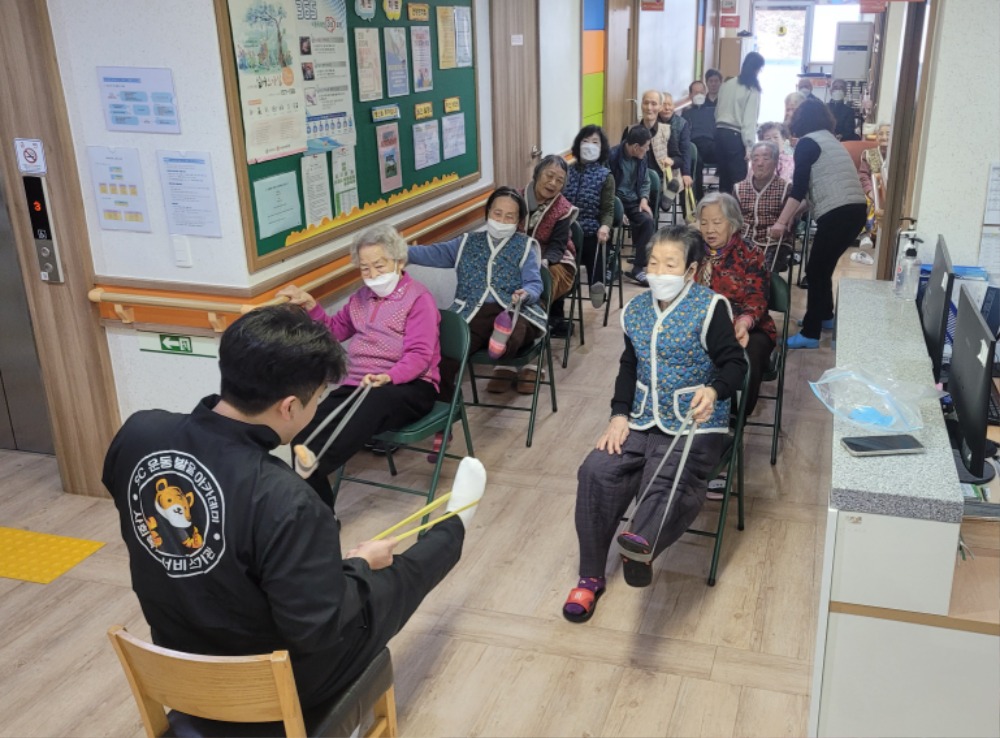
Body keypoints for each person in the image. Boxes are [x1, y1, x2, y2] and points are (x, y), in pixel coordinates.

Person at [102, 304, 488, 710]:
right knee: (393, 577)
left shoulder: (138, 433)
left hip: (174, 662)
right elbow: (316, 629)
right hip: (274, 686)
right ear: (288, 406)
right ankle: (455, 525)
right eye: (318, 398)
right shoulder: (286, 499)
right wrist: (359, 566)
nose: (317, 407)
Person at [563, 225, 747, 620]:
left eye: (670, 264)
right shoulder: (636, 311)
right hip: (642, 417)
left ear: (690, 270)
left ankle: (640, 547)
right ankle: (590, 576)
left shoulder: (710, 307)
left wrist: (714, 390)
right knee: (596, 470)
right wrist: (618, 415)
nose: (659, 272)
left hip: (695, 422)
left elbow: (735, 363)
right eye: (653, 263)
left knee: (668, 477)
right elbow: (629, 366)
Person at [277, 225, 440, 510]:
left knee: (327, 442)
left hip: (410, 386)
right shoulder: (360, 298)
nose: (373, 275)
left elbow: (419, 356)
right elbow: (334, 330)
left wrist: (389, 376)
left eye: (380, 265)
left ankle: (313, 468)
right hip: (361, 384)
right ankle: (321, 516)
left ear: (399, 261)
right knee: (303, 436)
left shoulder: (418, 298)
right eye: (365, 269)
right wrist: (311, 305)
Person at [408, 187, 546, 394]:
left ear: (519, 221)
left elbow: (534, 283)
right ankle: (441, 399)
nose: (502, 220)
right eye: (497, 213)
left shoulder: (525, 246)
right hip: (475, 310)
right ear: (488, 212)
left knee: (518, 328)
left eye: (509, 216)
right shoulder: (466, 242)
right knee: (449, 348)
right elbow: (431, 253)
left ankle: (502, 345)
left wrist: (526, 294)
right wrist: (399, 251)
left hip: (512, 308)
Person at [769, 99, 867, 348]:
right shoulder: (829, 140)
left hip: (839, 213)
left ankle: (810, 334)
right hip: (854, 210)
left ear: (801, 120)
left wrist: (781, 222)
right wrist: (793, 215)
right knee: (822, 268)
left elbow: (798, 190)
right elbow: (814, 192)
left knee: (815, 271)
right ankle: (825, 316)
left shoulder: (807, 143)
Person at [696, 192, 775, 416]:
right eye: (704, 223)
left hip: (748, 326)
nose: (709, 229)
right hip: (702, 324)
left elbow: (757, 298)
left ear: (732, 223)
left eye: (717, 222)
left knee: (749, 353)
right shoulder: (694, 251)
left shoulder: (750, 254)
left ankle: (734, 417)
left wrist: (743, 323)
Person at [520, 155, 578, 341]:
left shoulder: (563, 208)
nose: (553, 183)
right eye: (549, 175)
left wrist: (544, 261)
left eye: (559, 180)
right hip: (518, 258)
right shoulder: (516, 199)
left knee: (544, 277)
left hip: (555, 261)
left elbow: (558, 246)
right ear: (537, 173)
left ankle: (531, 328)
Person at [564, 125, 615, 306]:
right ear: (578, 145)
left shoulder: (605, 176)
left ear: (602, 148)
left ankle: (597, 285)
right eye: (585, 141)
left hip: (591, 231)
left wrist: (605, 226)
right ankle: (559, 304)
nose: (589, 146)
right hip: (565, 230)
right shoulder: (566, 171)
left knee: (598, 244)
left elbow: (608, 210)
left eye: (595, 142)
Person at [609, 125, 656, 286]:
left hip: (634, 201)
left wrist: (644, 199)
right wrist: (616, 208)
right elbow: (605, 187)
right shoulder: (612, 156)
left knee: (647, 220)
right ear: (636, 147)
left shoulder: (642, 157)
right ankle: (610, 266)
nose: (647, 150)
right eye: (646, 147)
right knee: (605, 222)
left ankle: (638, 267)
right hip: (615, 201)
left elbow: (645, 181)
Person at [733, 142, 790, 272]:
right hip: (744, 240)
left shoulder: (786, 188)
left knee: (762, 270)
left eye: (765, 158)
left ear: (775, 162)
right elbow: (733, 219)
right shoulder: (739, 188)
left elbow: (790, 223)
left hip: (774, 243)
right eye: (755, 159)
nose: (760, 163)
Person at [713, 52, 764, 194]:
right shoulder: (751, 89)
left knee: (724, 178)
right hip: (734, 136)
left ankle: (723, 206)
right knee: (738, 179)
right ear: (757, 69)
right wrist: (749, 146)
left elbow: (716, 112)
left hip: (719, 132)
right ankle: (738, 208)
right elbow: (749, 120)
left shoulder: (727, 84)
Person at [624, 90, 673, 192]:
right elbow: (622, 157)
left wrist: (671, 160)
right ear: (641, 105)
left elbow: (678, 158)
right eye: (646, 103)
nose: (649, 108)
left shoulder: (667, 130)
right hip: (635, 180)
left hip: (661, 181)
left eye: (654, 104)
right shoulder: (630, 130)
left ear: (660, 107)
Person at [858, 123, 890, 251]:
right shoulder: (868, 154)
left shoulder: (898, 156)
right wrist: (869, 190)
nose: (884, 137)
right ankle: (865, 235)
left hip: (890, 192)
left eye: (888, 134)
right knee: (867, 201)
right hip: (873, 191)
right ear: (876, 137)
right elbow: (863, 175)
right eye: (881, 134)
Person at [683, 80, 718, 200]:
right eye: (696, 92)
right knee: (695, 162)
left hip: (711, 144)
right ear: (690, 95)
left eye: (701, 92)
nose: (699, 95)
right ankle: (699, 199)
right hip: (695, 145)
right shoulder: (686, 114)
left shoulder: (713, 111)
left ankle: (723, 197)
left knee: (725, 156)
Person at [658, 92, 693, 198]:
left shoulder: (682, 123)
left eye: (670, 104)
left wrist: (686, 173)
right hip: (657, 164)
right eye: (664, 104)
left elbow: (685, 151)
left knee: (685, 181)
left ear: (674, 106)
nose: (667, 108)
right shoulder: (652, 122)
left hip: (676, 162)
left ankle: (666, 199)